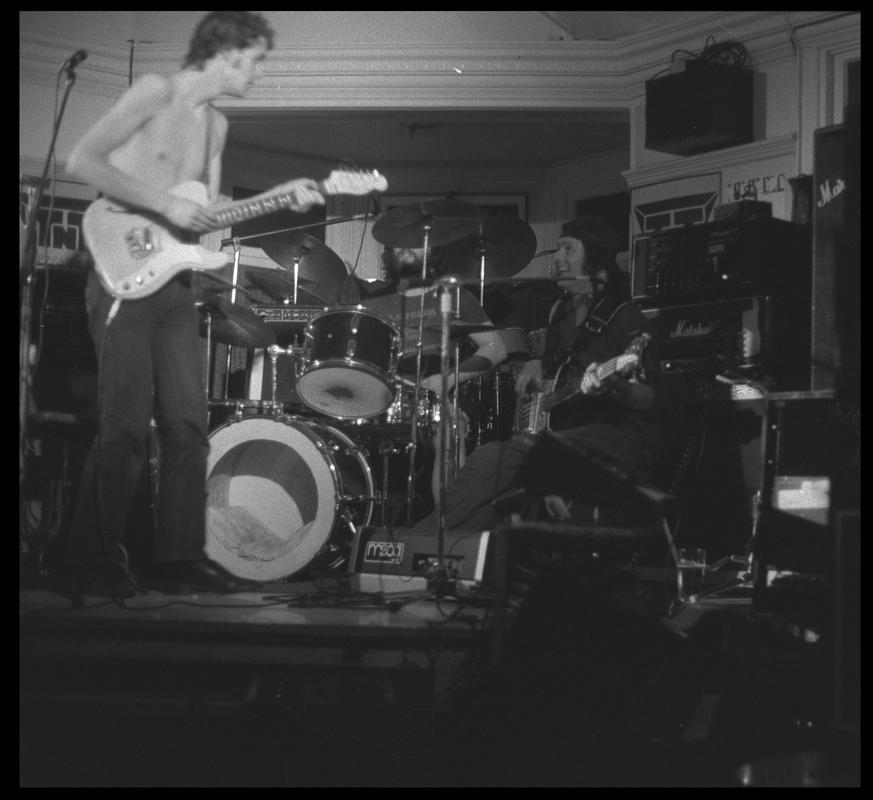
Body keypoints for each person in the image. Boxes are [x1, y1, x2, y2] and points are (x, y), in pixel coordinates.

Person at [62, 11, 326, 598]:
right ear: (229, 51)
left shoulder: (219, 125)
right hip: (121, 270)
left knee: (188, 426)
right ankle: (86, 561)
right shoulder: (154, 91)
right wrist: (164, 203)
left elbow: (201, 213)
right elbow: (81, 161)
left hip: (175, 286)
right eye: (255, 59)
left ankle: (178, 561)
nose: (257, 73)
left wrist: (280, 198)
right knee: (124, 427)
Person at [410, 216, 667, 534]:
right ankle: (457, 550)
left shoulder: (624, 317)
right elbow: (555, 371)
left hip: (616, 438)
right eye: (558, 248)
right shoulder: (563, 315)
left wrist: (618, 389)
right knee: (496, 464)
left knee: (502, 458)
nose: (557, 257)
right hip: (564, 436)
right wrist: (536, 365)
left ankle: (425, 537)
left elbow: (653, 399)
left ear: (595, 260)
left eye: (568, 249)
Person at [358, 245, 508, 510]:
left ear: (431, 247)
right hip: (382, 400)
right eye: (397, 241)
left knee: (450, 430)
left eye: (414, 240)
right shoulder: (371, 302)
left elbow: (496, 348)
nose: (404, 247)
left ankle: (448, 527)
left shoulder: (454, 296)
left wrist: (447, 379)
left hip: (434, 399)